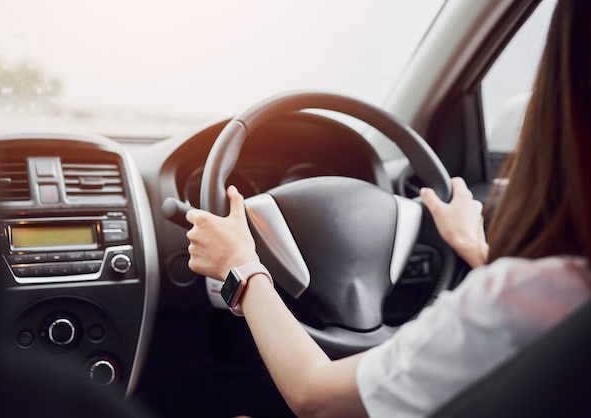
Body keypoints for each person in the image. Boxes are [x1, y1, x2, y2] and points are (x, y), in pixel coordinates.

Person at [185, 0, 591, 416]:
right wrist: (474, 248)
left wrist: (242, 265)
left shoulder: (521, 295)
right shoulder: (546, 297)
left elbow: (314, 399)